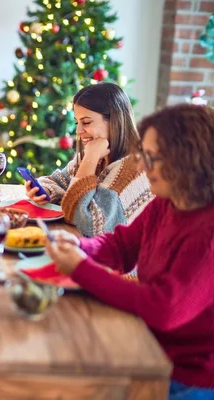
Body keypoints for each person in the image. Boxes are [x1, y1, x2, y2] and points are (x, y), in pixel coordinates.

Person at [46, 104, 214, 399]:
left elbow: (165, 309)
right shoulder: (169, 201)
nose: (140, 168)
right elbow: (122, 245)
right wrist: (80, 246)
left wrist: (81, 268)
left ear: (188, 160)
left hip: (185, 375)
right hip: (148, 344)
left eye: (150, 158)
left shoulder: (207, 231)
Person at [26, 82, 152, 237]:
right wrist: (46, 191)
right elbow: (55, 181)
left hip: (118, 260)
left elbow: (89, 224)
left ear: (114, 121)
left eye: (86, 122)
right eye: (76, 122)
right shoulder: (97, 155)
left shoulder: (135, 168)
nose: (78, 131)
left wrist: (90, 158)